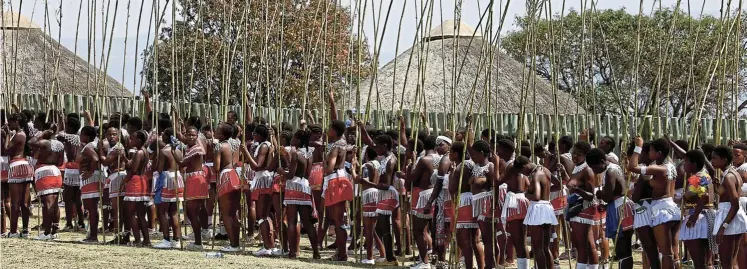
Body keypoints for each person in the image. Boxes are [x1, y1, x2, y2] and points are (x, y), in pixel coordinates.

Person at [627, 137, 680, 269]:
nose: (649, 154)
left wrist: (638, 147)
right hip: (672, 207)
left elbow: (632, 167)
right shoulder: (670, 166)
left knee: (666, 253)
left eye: (651, 150)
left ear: (659, 153)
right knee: (671, 251)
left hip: (662, 209)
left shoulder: (659, 169)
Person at [277, 129, 321, 259]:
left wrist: (281, 171)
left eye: (293, 138)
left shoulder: (296, 154)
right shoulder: (309, 154)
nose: (291, 140)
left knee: (291, 221)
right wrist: (285, 157)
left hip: (293, 187)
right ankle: (315, 251)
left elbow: (290, 175)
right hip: (305, 187)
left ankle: (292, 252)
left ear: (297, 140)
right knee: (307, 223)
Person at [587, 148, 634, 269]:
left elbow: (608, 196)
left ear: (602, 161)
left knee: (622, 249)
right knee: (622, 249)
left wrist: (599, 194)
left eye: (594, 167)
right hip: (618, 206)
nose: (594, 171)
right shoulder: (613, 167)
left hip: (620, 208)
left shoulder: (610, 171)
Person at [560, 141, 600, 269]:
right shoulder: (578, 167)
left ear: (586, 155)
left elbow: (591, 195)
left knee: (582, 244)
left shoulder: (587, 169)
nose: (575, 156)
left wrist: (578, 191)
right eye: (574, 153)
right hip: (577, 206)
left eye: (579, 154)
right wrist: (564, 175)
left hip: (584, 206)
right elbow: (573, 184)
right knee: (586, 243)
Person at [242, 124, 280, 256]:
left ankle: (267, 246)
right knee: (265, 215)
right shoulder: (263, 145)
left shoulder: (264, 146)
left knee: (262, 216)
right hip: (262, 180)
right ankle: (271, 245)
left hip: (263, 180)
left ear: (258, 134)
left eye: (254, 133)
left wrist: (245, 152)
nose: (252, 136)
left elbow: (257, 166)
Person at [407, 136, 444, 269]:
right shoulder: (442, 159)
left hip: (424, 196)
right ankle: (433, 259)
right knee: (434, 230)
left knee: (419, 230)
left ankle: (425, 262)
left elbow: (412, 177)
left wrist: (412, 162)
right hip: (437, 194)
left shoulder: (424, 159)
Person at [677, 149, 715, 269]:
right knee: (706, 262)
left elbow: (704, 198)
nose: (684, 165)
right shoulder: (706, 175)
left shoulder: (696, 177)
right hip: (707, 217)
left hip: (698, 219)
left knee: (699, 263)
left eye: (686, 162)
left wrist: (694, 216)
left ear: (693, 163)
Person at [516, 156, 557, 269]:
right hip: (547, 207)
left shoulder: (535, 175)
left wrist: (526, 194)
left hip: (538, 210)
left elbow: (536, 196)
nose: (524, 174)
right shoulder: (546, 170)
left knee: (538, 247)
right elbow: (558, 184)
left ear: (524, 167)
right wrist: (546, 192)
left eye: (522, 171)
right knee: (545, 247)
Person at [321, 119, 353, 261]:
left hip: (335, 180)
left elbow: (329, 168)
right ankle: (341, 252)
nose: (327, 130)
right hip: (340, 179)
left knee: (338, 219)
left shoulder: (336, 147)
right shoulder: (342, 143)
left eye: (329, 128)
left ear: (334, 130)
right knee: (338, 218)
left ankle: (342, 254)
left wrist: (324, 164)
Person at [449, 141, 484, 269]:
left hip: (464, 202)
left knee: (464, 240)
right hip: (473, 201)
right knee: (475, 239)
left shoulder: (459, 168)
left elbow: (452, 189)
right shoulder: (472, 164)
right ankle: (481, 266)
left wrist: (452, 174)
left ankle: (469, 266)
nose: (449, 155)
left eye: (450, 152)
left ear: (456, 154)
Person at [711, 145, 747, 269]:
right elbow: (725, 193)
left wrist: (723, 226)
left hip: (729, 217)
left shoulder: (729, 176)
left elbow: (735, 204)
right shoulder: (732, 173)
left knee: (726, 263)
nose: (712, 161)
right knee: (731, 262)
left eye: (715, 158)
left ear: (724, 159)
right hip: (733, 216)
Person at [175, 127, 210, 249]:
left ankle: (198, 242)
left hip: (195, 180)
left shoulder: (196, 149)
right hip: (193, 179)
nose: (190, 137)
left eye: (193, 135)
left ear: (197, 137)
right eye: (188, 135)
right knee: (194, 211)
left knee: (192, 212)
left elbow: (181, 162)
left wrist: (174, 150)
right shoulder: (191, 148)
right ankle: (198, 240)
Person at [28, 129, 65, 240]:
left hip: (44, 173)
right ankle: (54, 231)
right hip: (56, 172)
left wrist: (41, 134)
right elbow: (60, 162)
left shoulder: (45, 143)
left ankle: (47, 232)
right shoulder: (59, 145)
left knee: (47, 204)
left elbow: (31, 142)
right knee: (55, 204)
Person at [350, 147, 384, 264]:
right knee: (373, 230)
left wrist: (353, 171)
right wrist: (354, 157)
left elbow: (360, 180)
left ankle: (370, 257)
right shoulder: (377, 164)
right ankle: (383, 254)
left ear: (367, 154)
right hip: (376, 195)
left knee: (369, 229)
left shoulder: (367, 166)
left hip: (369, 195)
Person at [469, 140, 500, 269]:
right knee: (485, 238)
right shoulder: (476, 166)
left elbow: (495, 186)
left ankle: (491, 265)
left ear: (482, 153)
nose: (473, 157)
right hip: (477, 202)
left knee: (489, 239)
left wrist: (493, 207)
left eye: (475, 154)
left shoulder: (490, 166)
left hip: (486, 203)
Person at [629, 142, 660, 269]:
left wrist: (635, 189)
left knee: (650, 248)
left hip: (644, 210)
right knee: (657, 248)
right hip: (655, 208)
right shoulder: (660, 168)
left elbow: (636, 197)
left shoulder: (646, 172)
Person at [152, 128, 184, 249]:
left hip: (166, 179)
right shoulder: (178, 150)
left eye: (163, 134)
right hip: (177, 178)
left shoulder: (164, 151)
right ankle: (177, 239)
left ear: (166, 137)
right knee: (174, 212)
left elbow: (159, 169)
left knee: (162, 211)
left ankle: (166, 239)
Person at [214, 123, 242, 252]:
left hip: (226, 177)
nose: (215, 131)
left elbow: (216, 167)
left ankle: (234, 245)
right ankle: (235, 243)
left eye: (217, 130)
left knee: (226, 214)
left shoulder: (220, 146)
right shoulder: (235, 144)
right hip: (236, 175)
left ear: (221, 134)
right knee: (233, 214)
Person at [99, 125, 129, 243]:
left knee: (117, 210)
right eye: (109, 135)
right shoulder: (114, 148)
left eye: (114, 134)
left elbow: (106, 162)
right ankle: (120, 234)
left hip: (117, 177)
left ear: (118, 136)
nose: (111, 137)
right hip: (114, 176)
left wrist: (101, 149)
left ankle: (119, 235)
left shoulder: (117, 148)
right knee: (117, 209)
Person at [5, 113, 33, 238]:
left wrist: (6, 135)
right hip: (25, 166)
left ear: (16, 122)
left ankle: (13, 231)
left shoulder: (18, 135)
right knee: (24, 203)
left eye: (10, 122)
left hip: (16, 166)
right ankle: (25, 230)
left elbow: (6, 149)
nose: (8, 125)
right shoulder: (24, 134)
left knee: (16, 203)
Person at [122, 130, 151, 246]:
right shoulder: (145, 152)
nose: (131, 140)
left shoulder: (139, 152)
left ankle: (138, 240)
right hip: (142, 180)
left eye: (133, 138)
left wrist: (124, 181)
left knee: (132, 213)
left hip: (135, 182)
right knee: (140, 214)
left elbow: (133, 168)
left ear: (139, 140)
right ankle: (146, 240)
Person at [57, 115, 86, 231]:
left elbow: (58, 135)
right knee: (78, 199)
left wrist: (61, 122)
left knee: (68, 199)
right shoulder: (80, 138)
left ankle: (69, 223)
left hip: (71, 169)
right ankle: (81, 222)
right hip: (78, 169)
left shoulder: (68, 137)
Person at [78, 126, 104, 243]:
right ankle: (92, 234)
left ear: (87, 136)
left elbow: (95, 159)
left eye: (82, 134)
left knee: (92, 207)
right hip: (95, 177)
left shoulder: (89, 147)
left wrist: (90, 172)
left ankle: (93, 236)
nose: (80, 136)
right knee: (93, 207)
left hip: (91, 178)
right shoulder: (94, 144)